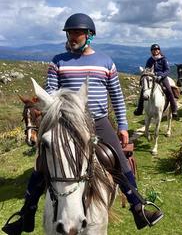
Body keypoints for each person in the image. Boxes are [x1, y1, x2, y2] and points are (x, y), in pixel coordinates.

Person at [2, 13, 163, 235]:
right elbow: (51, 91)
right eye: (70, 33)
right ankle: (26, 215)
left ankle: (138, 206)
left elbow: (116, 96)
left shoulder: (106, 62)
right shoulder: (57, 61)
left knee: (118, 157)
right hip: (67, 122)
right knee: (42, 162)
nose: (72, 37)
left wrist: (123, 126)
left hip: (97, 120)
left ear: (89, 36)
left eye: (77, 33)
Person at [134, 43, 179, 120]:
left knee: (169, 90)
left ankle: (174, 109)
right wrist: (149, 74)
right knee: (143, 90)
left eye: (157, 49)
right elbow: (147, 70)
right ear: (152, 51)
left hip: (162, 77)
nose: (156, 51)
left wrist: (161, 75)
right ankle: (139, 109)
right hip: (152, 78)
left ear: (159, 51)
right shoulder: (150, 60)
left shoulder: (163, 59)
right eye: (154, 50)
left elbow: (167, 70)